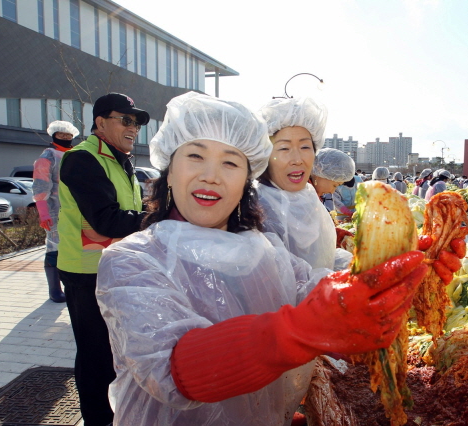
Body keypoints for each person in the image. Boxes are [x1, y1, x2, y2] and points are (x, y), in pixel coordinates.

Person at [95, 91, 430, 425]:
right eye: (195, 156)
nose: (211, 175)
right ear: (169, 171)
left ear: (246, 181)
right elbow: (169, 369)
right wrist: (298, 330)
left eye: (230, 162)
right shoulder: (132, 261)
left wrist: (408, 266)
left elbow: (321, 291)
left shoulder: (266, 250)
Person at [57, 92, 149, 425]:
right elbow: (106, 220)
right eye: (125, 120)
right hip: (87, 273)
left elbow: (130, 215)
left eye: (136, 123)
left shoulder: (121, 160)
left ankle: (117, 414)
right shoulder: (82, 159)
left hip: (116, 270)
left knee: (115, 352)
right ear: (100, 122)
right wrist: (162, 217)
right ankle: (97, 420)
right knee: (96, 355)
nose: (133, 128)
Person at [257, 97, 348, 270]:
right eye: (284, 148)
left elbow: (321, 254)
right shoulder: (258, 209)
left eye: (305, 147)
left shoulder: (309, 196)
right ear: (265, 155)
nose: (297, 160)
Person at [32, 120, 79, 303]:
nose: (66, 139)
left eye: (69, 136)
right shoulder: (48, 157)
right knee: (54, 247)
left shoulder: (75, 155)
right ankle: (54, 290)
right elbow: (40, 186)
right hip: (55, 209)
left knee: (69, 247)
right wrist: (43, 212)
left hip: (74, 209)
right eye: (62, 136)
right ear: (54, 136)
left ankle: (69, 285)